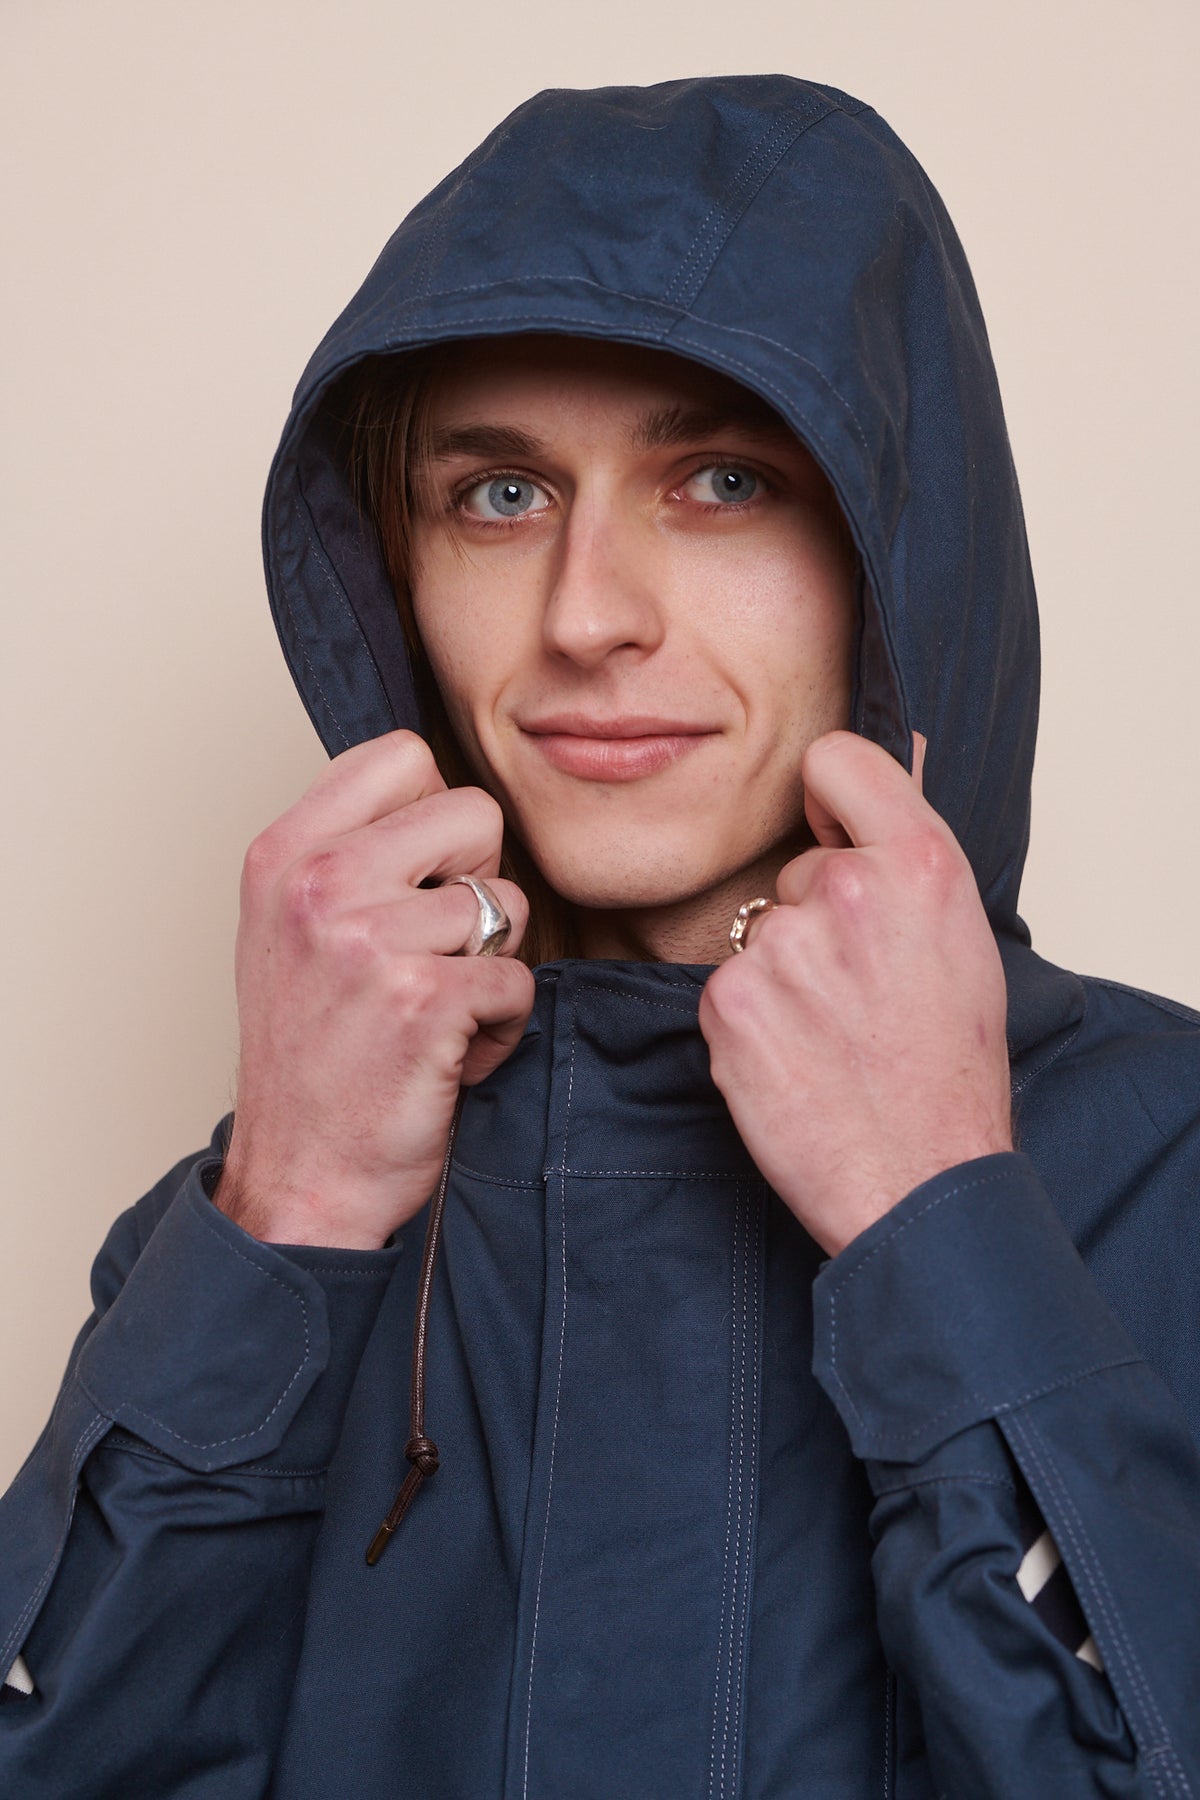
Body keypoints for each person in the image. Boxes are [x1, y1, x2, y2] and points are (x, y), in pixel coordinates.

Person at [1, 72, 1198, 1798]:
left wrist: (937, 1225)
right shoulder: (254, 1216)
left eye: (722, 480)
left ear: (893, 550)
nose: (587, 616)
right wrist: (288, 1225)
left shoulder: (1161, 1162)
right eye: (498, 497)